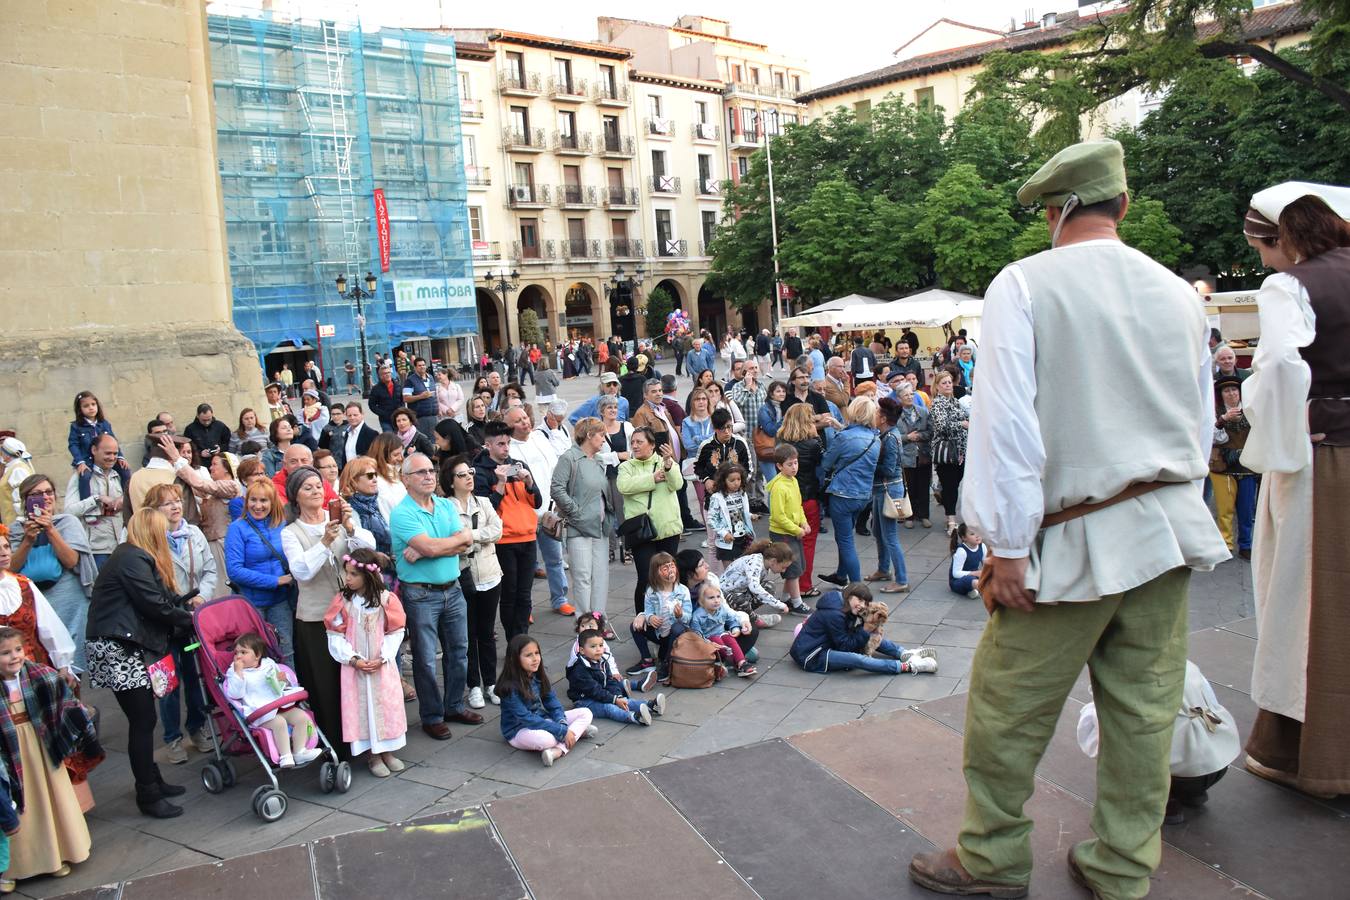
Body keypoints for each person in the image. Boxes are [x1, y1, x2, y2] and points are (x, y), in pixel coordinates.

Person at [909, 139, 1229, 899]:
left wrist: (1008, 547)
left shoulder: (1024, 283)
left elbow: (1007, 428)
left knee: (1006, 708)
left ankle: (991, 858)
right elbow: (1199, 417)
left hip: (1071, 538)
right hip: (1165, 528)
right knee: (1145, 711)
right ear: (1122, 205)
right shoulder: (1179, 292)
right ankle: (1122, 867)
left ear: (1055, 212)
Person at [1238, 182, 1350, 800]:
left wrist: (1272, 435)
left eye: (1260, 247)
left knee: (1307, 600)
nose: (1260, 261)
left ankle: (1313, 752)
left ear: (1282, 238)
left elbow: (1280, 365)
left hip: (1326, 457)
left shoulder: (1290, 285)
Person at [86, 509, 195, 818]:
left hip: (122, 644)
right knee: (143, 721)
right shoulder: (132, 558)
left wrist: (183, 609)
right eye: (162, 530)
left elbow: (160, 599)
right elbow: (153, 604)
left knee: (144, 720)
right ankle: (147, 793)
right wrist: (190, 619)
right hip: (118, 647)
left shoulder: (132, 556)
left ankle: (152, 781)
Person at [282, 465, 374, 762]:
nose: (316, 491)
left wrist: (350, 527)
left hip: (349, 612)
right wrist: (323, 541)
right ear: (296, 496)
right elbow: (301, 571)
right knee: (326, 682)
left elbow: (367, 551)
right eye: (307, 487)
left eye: (318, 486)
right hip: (315, 617)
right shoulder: (290, 532)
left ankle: (364, 739)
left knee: (355, 677)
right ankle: (336, 746)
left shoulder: (337, 518)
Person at [1077, 660, 1241, 826]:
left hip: (1177, 774)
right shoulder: (1183, 663)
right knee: (1181, 732)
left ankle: (1164, 802)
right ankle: (1194, 793)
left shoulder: (1126, 677)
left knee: (1119, 735)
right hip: (1217, 763)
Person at [389, 454, 481, 741]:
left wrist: (431, 547)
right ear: (405, 479)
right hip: (420, 595)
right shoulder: (402, 513)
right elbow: (454, 542)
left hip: (452, 589)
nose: (429, 476)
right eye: (420, 472)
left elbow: (467, 541)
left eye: (431, 470)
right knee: (426, 659)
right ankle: (431, 716)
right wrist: (438, 546)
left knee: (459, 652)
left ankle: (453, 705)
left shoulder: (444, 505)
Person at [0, 626, 98, 886]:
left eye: (18, 650)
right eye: (5, 653)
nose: (14, 657)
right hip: (8, 753)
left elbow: (63, 699)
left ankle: (56, 856)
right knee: (17, 806)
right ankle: (11, 869)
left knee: (49, 800)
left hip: (39, 744)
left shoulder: (37, 674)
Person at [144, 484, 215, 766]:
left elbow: (209, 568)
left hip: (192, 616)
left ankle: (197, 727)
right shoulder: (148, 540)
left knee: (195, 675)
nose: (175, 507)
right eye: (167, 504)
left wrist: (203, 595)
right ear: (154, 510)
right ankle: (172, 738)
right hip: (165, 621)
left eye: (177, 501)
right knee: (168, 683)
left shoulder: (193, 533)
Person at [323, 549, 408, 777]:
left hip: (381, 664)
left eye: (353, 574)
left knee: (385, 705)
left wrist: (384, 656)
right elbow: (334, 635)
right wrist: (353, 659)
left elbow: (395, 631)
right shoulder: (344, 602)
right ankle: (373, 754)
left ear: (368, 576)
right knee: (363, 707)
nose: (348, 578)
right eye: (347, 573)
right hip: (356, 668)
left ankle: (387, 750)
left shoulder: (386, 600)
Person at [9, 475, 97, 671]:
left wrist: (49, 529)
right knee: (42, 660)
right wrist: (28, 541)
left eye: (49, 492)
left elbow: (72, 560)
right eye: (37, 494)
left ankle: (72, 701)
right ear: (26, 500)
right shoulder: (16, 529)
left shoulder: (67, 522)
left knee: (72, 664)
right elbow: (11, 569)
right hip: (33, 603)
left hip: (69, 601)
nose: (45, 497)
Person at [473, 421, 540, 641]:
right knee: (509, 594)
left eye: (508, 443)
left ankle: (522, 639)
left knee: (525, 594)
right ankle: (514, 641)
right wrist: (500, 485)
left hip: (528, 537)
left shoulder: (517, 465)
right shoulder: (481, 472)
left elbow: (537, 502)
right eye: (501, 444)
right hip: (504, 541)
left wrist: (529, 482)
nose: (506, 448)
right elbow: (485, 510)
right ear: (488, 445)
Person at [445, 455, 502, 711]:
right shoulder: (445, 508)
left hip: (490, 573)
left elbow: (497, 530)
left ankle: (491, 682)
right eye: (462, 474)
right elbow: (452, 539)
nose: (469, 477)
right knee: (467, 634)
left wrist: (471, 535)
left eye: (470, 472)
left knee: (487, 633)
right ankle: (474, 686)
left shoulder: (485, 501)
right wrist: (471, 538)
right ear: (450, 481)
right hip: (463, 575)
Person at [504, 407, 571, 617]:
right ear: (509, 426)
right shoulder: (509, 448)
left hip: (550, 511)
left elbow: (554, 468)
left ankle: (560, 599)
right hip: (525, 515)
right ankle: (526, 607)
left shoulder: (540, 438)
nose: (525, 422)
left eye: (525, 417)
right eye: (518, 420)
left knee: (555, 559)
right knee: (526, 568)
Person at [789, 583, 937, 676]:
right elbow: (845, 646)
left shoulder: (845, 605)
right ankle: (908, 666)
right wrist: (865, 629)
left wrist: (868, 629)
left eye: (864, 602)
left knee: (870, 635)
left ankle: (903, 653)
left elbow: (849, 637)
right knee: (858, 659)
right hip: (812, 655)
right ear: (849, 596)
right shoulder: (834, 614)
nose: (861, 605)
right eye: (859, 600)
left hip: (829, 643)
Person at [223, 632, 321, 770]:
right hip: (259, 712)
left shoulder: (269, 664)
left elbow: (280, 686)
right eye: (236, 653)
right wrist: (238, 674)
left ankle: (299, 751)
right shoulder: (234, 672)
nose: (238, 656)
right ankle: (285, 755)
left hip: (279, 705)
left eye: (243, 652)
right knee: (279, 722)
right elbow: (235, 693)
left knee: (301, 717)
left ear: (257, 655)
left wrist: (283, 680)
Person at [224, 480, 296, 666]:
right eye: (253, 500)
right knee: (252, 657)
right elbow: (235, 571)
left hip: (280, 601)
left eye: (264, 500)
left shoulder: (281, 524)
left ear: (273, 502)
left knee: (285, 652)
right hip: (251, 604)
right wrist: (275, 581)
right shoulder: (237, 528)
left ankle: (292, 694)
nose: (258, 506)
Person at [497, 634, 594, 767]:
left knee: (586, 712)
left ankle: (558, 750)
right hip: (519, 731)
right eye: (528, 655)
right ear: (514, 659)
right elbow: (526, 718)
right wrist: (561, 731)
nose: (535, 659)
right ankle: (576, 733)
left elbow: (552, 703)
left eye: (537, 653)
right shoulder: (509, 688)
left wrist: (562, 725)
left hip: (543, 719)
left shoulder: (538, 675)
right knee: (546, 740)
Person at [617, 427, 684, 616]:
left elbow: (677, 484)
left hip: (667, 528)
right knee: (645, 578)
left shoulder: (666, 463)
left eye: (640, 442)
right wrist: (652, 478)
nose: (635, 446)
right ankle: (643, 619)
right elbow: (624, 486)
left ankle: (671, 615)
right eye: (633, 442)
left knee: (669, 576)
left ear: (652, 445)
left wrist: (669, 463)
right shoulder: (626, 467)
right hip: (641, 531)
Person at [818, 397, 880, 586]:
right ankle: (841, 574)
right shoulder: (875, 438)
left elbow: (826, 463)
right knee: (845, 536)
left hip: (843, 493)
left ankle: (856, 586)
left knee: (845, 540)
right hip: (863, 495)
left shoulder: (845, 437)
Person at [551, 418, 610, 617]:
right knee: (583, 576)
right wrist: (576, 512)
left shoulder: (600, 460)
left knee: (600, 576)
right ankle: (584, 623)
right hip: (579, 527)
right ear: (589, 435)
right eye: (601, 434)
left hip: (600, 527)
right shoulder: (569, 458)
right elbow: (557, 488)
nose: (604, 438)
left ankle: (598, 619)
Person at [776, 404, 825, 597]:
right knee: (807, 542)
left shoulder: (781, 440)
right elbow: (824, 464)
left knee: (790, 543)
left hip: (784, 497)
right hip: (807, 497)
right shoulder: (813, 444)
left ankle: (790, 588)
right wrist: (818, 437)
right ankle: (804, 585)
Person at [1208, 376, 1258, 559]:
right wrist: (1222, 420)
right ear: (1221, 395)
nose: (1232, 394)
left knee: (1246, 510)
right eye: (1227, 391)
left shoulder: (1251, 410)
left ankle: (1246, 545)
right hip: (1222, 467)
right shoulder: (1215, 413)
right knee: (1225, 510)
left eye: (1234, 390)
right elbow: (1215, 438)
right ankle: (1225, 545)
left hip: (1247, 466)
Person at [567, 629, 661, 725]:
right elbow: (594, 690)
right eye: (593, 646)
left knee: (624, 701)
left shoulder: (602, 661)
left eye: (601, 645)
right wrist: (614, 700)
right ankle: (634, 717)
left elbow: (610, 681)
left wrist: (618, 697)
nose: (598, 649)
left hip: (601, 693)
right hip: (585, 701)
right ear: (582, 650)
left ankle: (650, 706)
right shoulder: (580, 670)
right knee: (609, 708)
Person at [63, 433, 128, 570]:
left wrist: (124, 500)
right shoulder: (81, 477)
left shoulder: (121, 475)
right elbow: (69, 512)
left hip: (123, 545)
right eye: (108, 453)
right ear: (94, 450)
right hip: (96, 550)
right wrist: (97, 499)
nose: (112, 458)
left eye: (115, 453)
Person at [867, 397, 909, 594]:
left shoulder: (891, 438)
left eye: (876, 412)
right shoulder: (886, 434)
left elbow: (890, 469)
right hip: (881, 489)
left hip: (889, 490)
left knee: (890, 536)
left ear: (883, 418)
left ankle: (901, 579)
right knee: (877, 530)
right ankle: (883, 570)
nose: (874, 415)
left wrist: (868, 465)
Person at [625, 553, 691, 679]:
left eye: (672, 566)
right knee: (635, 626)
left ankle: (666, 664)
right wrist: (650, 618)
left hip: (675, 636)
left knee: (678, 627)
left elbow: (688, 618)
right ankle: (647, 660)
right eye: (665, 568)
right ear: (656, 573)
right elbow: (648, 610)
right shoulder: (651, 591)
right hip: (658, 632)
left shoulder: (683, 591)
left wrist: (680, 615)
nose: (670, 571)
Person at [719, 540, 801, 628]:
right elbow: (754, 587)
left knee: (769, 587)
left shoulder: (765, 565)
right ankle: (755, 619)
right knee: (740, 599)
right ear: (773, 561)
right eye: (783, 567)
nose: (784, 570)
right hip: (724, 596)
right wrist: (778, 604)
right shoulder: (755, 562)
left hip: (740, 592)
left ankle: (746, 614)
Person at [928, 370, 969, 537]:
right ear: (937, 386)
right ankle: (951, 520)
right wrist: (962, 424)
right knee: (951, 486)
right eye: (944, 383)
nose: (948, 385)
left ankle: (942, 493)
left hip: (960, 450)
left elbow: (967, 417)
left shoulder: (956, 402)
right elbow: (941, 426)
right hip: (946, 451)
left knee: (955, 484)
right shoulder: (938, 403)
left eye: (949, 382)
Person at [689, 580, 756, 677]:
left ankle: (742, 663)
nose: (716, 600)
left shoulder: (722, 609)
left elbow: (731, 619)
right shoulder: (697, 616)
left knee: (729, 638)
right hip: (708, 640)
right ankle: (734, 661)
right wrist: (706, 642)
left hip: (721, 634)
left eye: (718, 597)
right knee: (716, 639)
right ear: (702, 601)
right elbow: (697, 634)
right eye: (711, 598)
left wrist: (735, 628)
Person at [596, 396, 633, 563]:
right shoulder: (597, 430)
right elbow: (596, 456)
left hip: (623, 477)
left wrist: (622, 456)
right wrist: (617, 456)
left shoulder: (627, 427)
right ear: (602, 410)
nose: (613, 410)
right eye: (609, 407)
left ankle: (627, 548)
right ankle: (610, 548)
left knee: (624, 513)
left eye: (615, 407)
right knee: (606, 514)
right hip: (604, 478)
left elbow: (633, 451)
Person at [897, 384, 932, 529]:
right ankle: (909, 516)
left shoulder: (923, 412)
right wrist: (907, 437)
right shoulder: (896, 414)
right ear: (899, 398)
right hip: (906, 455)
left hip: (923, 454)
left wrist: (918, 436)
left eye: (911, 394)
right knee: (908, 486)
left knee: (924, 485)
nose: (910, 397)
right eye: (906, 395)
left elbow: (931, 431)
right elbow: (893, 435)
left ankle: (924, 515)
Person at [707, 463, 753, 564]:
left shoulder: (742, 494)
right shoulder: (717, 497)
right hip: (727, 542)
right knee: (729, 571)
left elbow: (742, 514)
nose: (736, 483)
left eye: (739, 479)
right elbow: (711, 520)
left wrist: (750, 516)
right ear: (723, 481)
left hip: (742, 537)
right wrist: (724, 533)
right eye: (732, 480)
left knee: (743, 566)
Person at [66, 391, 117, 474]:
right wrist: (80, 462)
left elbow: (114, 441)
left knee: (125, 471)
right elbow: (73, 445)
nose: (91, 408)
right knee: (85, 476)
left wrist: (121, 457)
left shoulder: (104, 423)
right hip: (87, 461)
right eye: (86, 406)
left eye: (93, 404)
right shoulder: (76, 426)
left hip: (106, 460)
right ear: (80, 409)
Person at [367, 432, 407, 523]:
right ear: (382, 455)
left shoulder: (394, 473)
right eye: (396, 455)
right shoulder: (376, 480)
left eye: (401, 453)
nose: (401, 458)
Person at [335, 403, 380, 474]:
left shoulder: (371, 434)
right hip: (349, 474)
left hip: (364, 474)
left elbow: (375, 458)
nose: (352, 418)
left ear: (362, 414)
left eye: (355, 415)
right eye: (349, 415)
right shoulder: (347, 433)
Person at [0, 440, 36, 529]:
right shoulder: (12, 467)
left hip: (17, 524)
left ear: (7, 454)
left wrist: (19, 524)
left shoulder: (18, 469)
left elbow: (20, 499)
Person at [401, 357, 438, 437]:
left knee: (435, 441)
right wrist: (420, 396)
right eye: (419, 365)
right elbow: (406, 398)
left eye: (423, 365)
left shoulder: (431, 377)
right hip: (420, 417)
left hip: (433, 416)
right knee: (422, 441)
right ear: (415, 367)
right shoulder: (410, 381)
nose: (422, 367)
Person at [949, 523, 985, 600]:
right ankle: (987, 590)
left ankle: (972, 590)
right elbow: (955, 573)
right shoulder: (962, 551)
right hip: (958, 581)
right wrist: (975, 573)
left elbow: (986, 565)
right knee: (970, 580)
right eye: (972, 534)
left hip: (974, 576)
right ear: (964, 538)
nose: (977, 535)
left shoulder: (982, 546)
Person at [366, 363, 402, 431]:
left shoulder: (398, 385)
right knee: (388, 438)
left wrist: (401, 410)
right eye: (385, 373)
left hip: (398, 418)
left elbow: (402, 400)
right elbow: (371, 405)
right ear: (380, 376)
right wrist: (382, 413)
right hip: (385, 420)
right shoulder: (376, 389)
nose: (387, 374)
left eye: (388, 372)